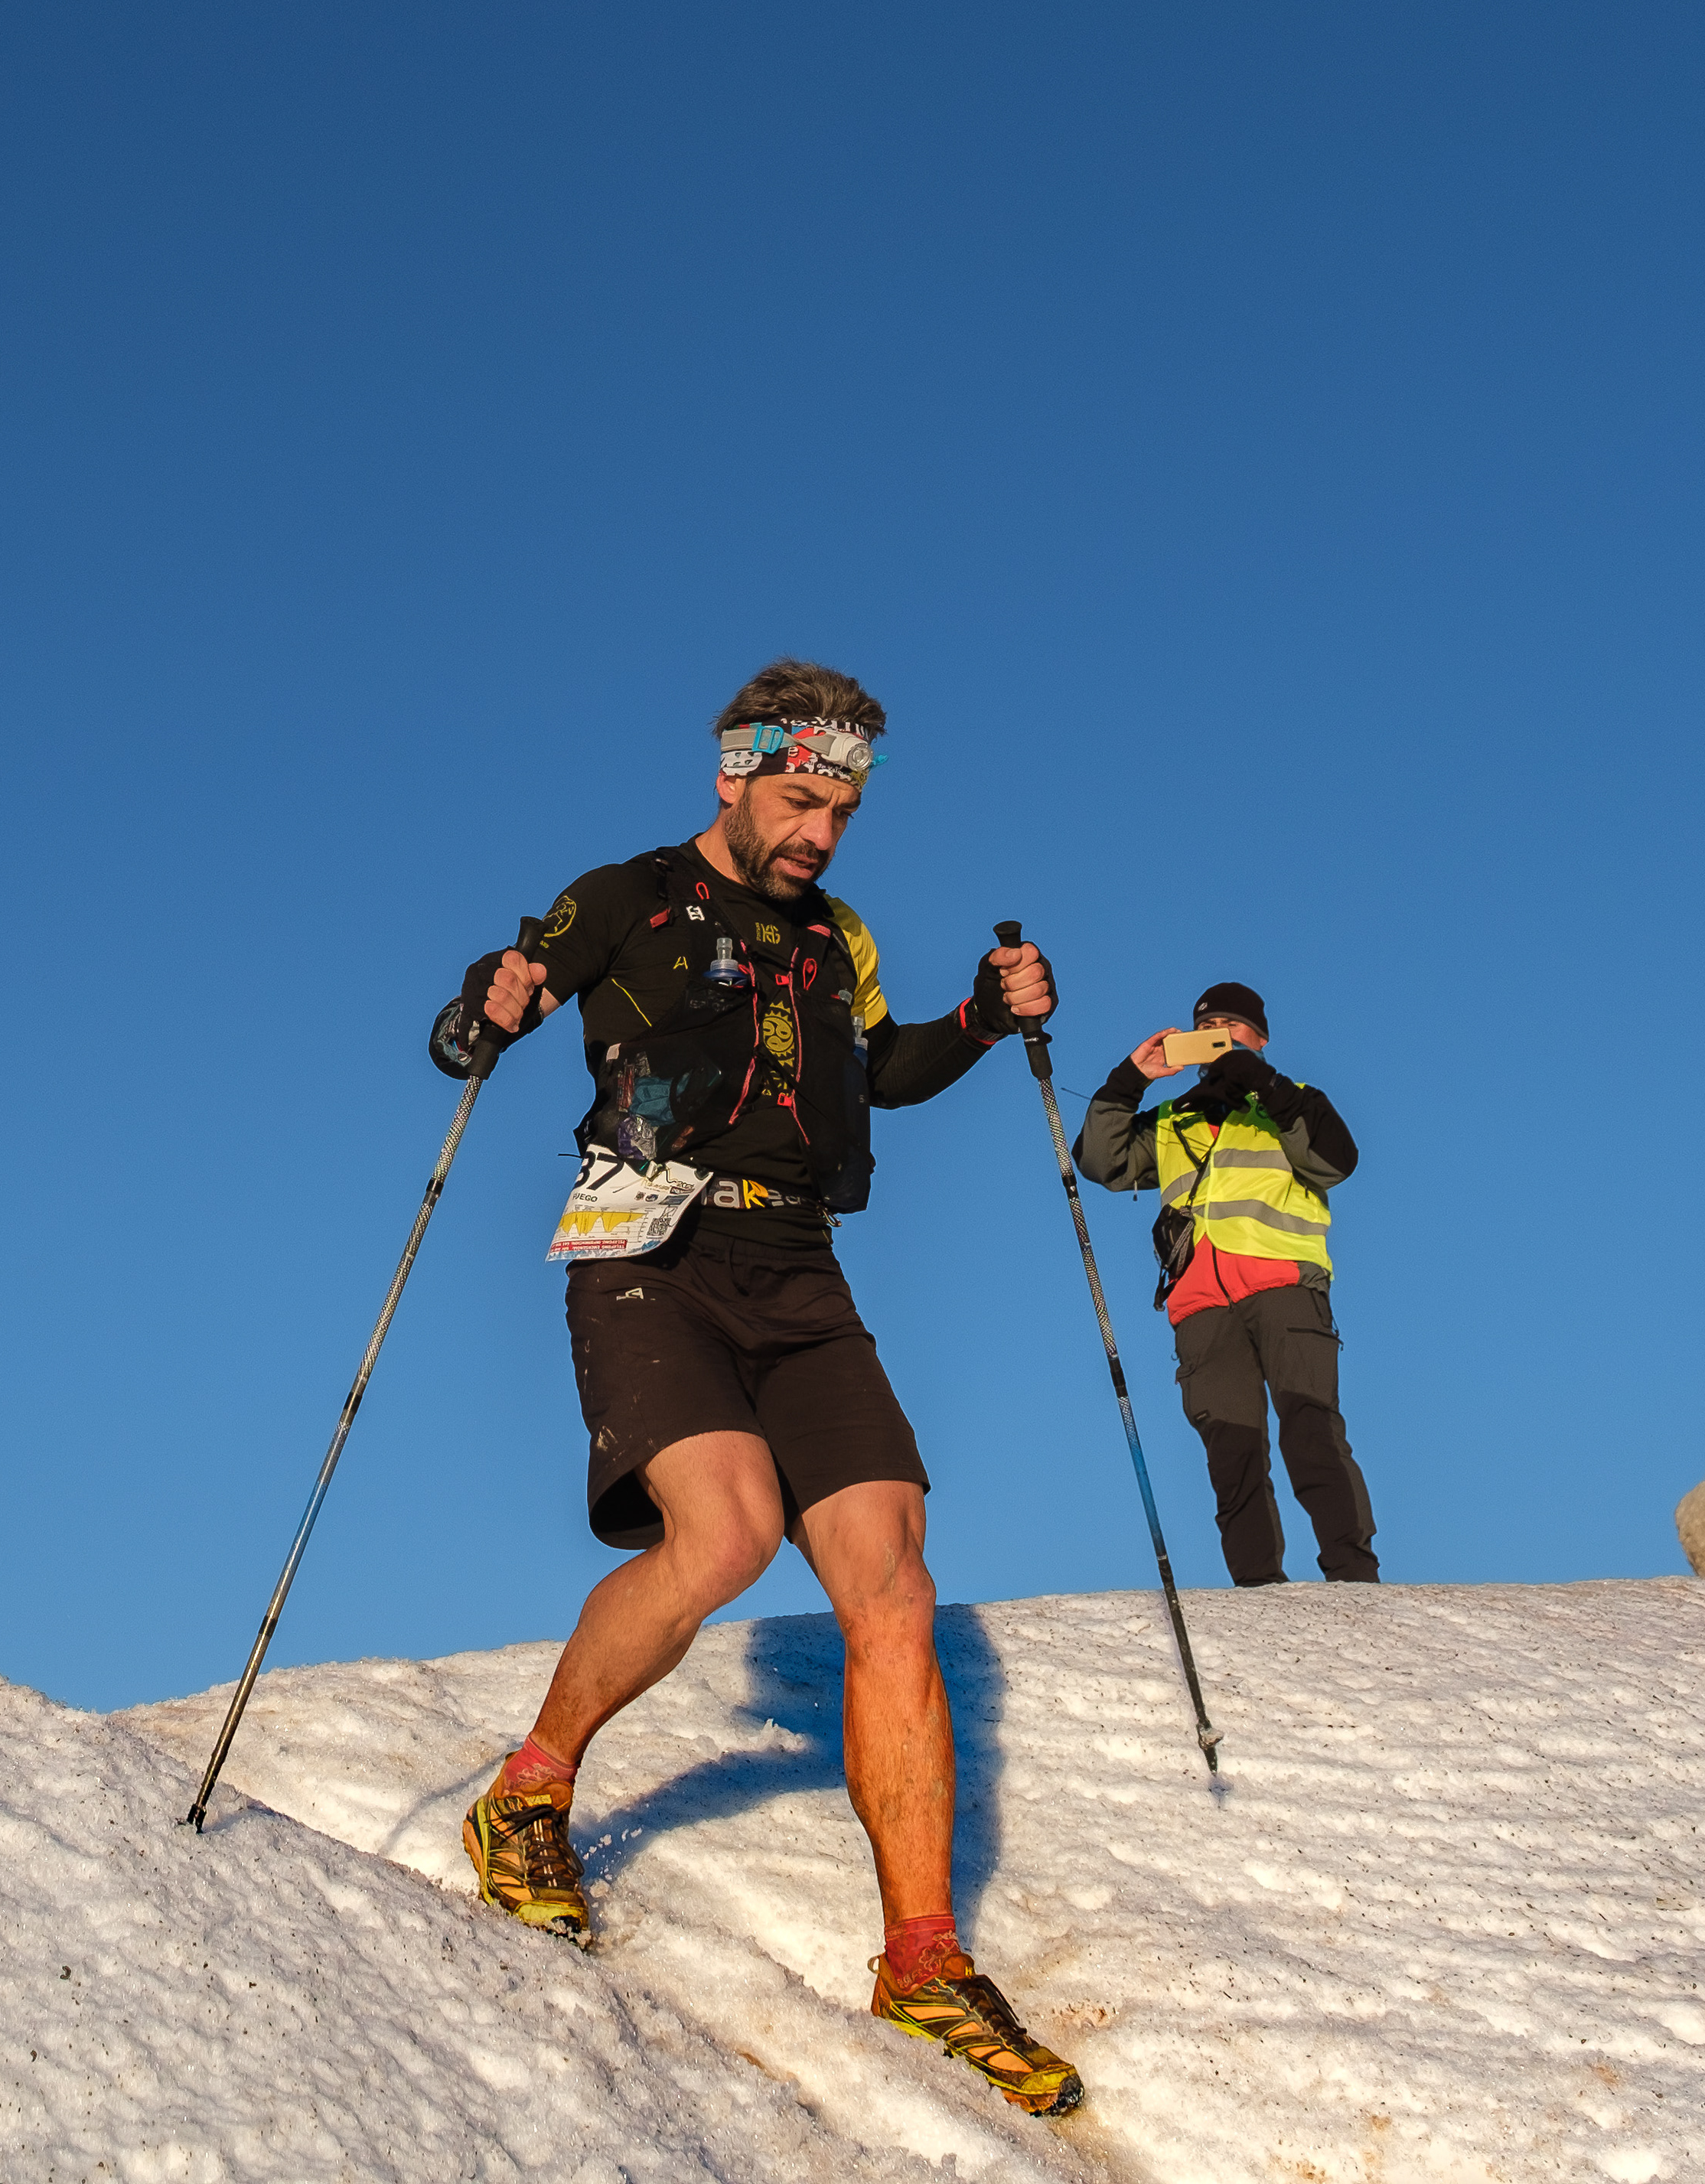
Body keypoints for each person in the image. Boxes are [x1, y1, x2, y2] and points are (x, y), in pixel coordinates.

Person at [425, 658, 1083, 2117]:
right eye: (799, 801)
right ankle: (527, 1795)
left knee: (894, 1582)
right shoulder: (630, 896)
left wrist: (984, 1019)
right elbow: (486, 1014)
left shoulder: (838, 936)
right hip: (649, 1251)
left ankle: (924, 1961)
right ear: (735, 774)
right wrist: (491, 1004)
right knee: (724, 1536)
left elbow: (881, 1071)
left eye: (842, 811)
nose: (820, 834)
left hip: (800, 1269)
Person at [1073, 985, 1378, 1586]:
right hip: (1201, 1305)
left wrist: (1263, 1084)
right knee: (1231, 1452)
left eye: (1231, 1025)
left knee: (1311, 1430)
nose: (1218, 1032)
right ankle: (1259, 1591)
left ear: (1259, 1038)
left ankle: (1353, 1575)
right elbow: (1100, 1161)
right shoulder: (1173, 1119)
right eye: (1207, 1024)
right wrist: (1131, 1078)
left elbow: (1335, 1162)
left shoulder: (1292, 1102)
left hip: (1283, 1284)